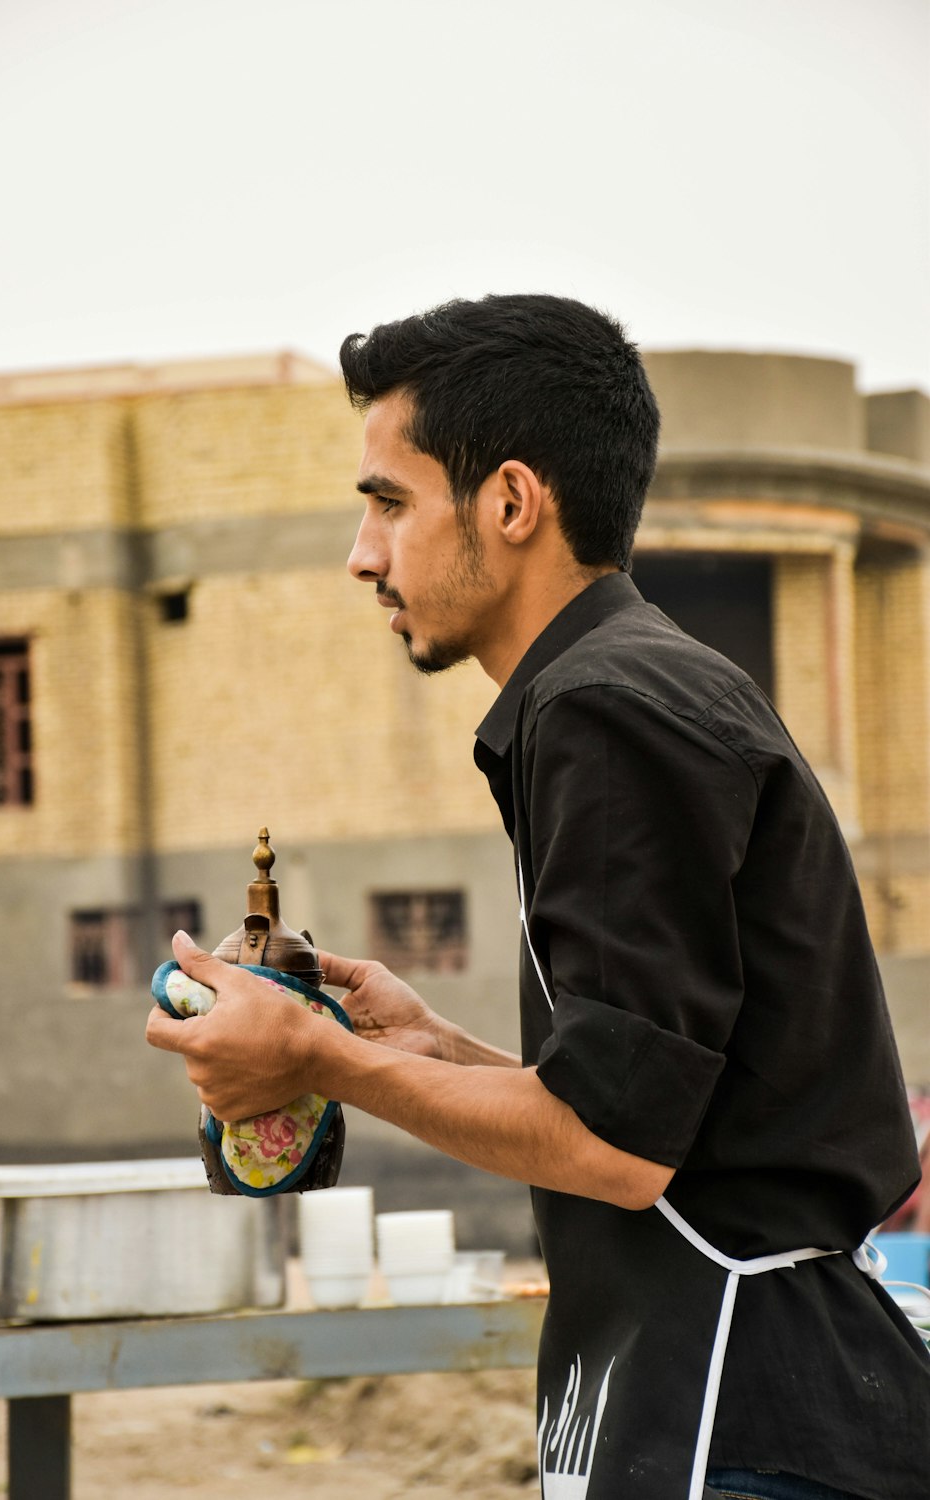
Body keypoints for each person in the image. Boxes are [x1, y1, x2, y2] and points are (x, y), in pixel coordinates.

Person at [147, 294, 930, 1500]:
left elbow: (615, 1150)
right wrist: (428, 1046)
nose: (364, 554)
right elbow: (657, 1103)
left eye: (389, 503)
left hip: (745, 1408)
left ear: (510, 503)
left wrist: (315, 1058)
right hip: (715, 1399)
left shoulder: (607, 711)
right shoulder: (623, 691)